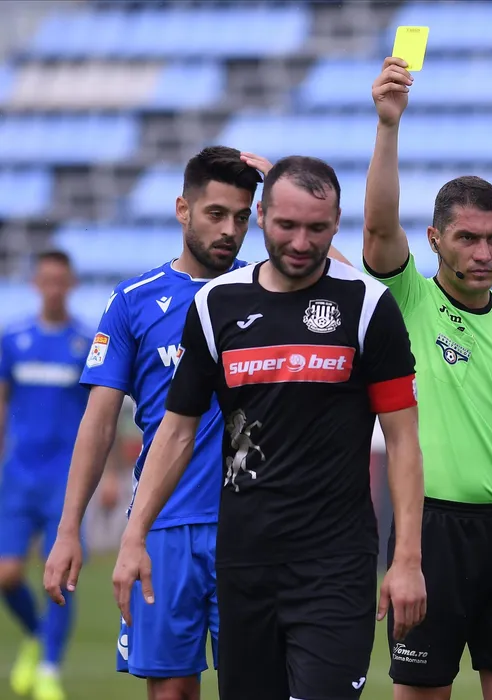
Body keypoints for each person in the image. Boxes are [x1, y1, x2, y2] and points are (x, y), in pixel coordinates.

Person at [111, 155, 427, 700]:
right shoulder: (216, 305)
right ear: (260, 216)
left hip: (336, 565)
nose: (301, 242)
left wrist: (407, 560)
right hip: (244, 564)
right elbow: (176, 432)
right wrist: (134, 535)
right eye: (287, 225)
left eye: (317, 228)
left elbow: (402, 441)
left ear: (337, 222)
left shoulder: (367, 305)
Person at [42, 146, 299, 700]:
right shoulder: (133, 303)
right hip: (162, 527)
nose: (229, 230)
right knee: (171, 692)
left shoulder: (268, 289)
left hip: (250, 527)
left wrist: (285, 184)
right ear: (183, 209)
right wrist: (68, 530)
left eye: (241, 217)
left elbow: (352, 282)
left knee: (257, 687)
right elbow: (99, 424)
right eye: (215, 214)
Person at [362, 57, 492, 700]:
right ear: (434, 239)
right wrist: (388, 126)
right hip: (430, 533)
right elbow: (378, 227)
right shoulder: (409, 299)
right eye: (467, 238)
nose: (484, 254)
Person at [0, 250, 92, 700]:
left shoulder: (85, 343)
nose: (54, 288)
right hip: (19, 475)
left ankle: (50, 667)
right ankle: (37, 635)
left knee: (62, 572)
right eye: (47, 280)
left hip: (66, 478)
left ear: (71, 284)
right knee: (7, 575)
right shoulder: (13, 339)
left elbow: (101, 414)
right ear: (36, 283)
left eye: (61, 281)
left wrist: (113, 475)